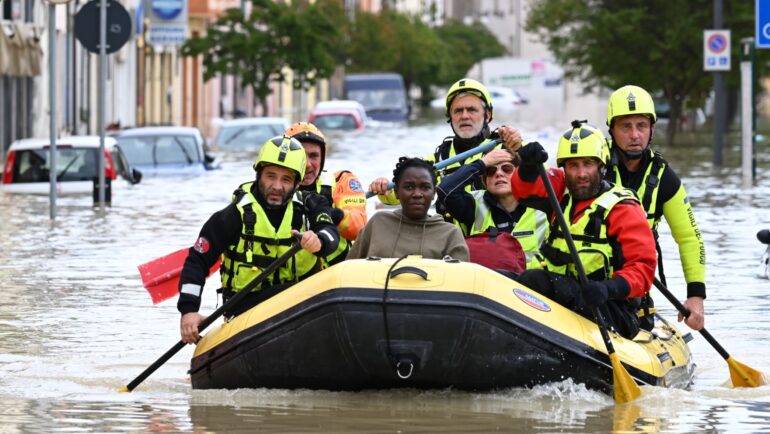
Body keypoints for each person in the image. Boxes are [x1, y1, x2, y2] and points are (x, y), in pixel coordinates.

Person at [177, 135, 340, 344]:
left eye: (286, 179)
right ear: (258, 175)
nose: (277, 186)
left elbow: (330, 232)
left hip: (298, 303)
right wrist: (189, 310)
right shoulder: (233, 215)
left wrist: (320, 241)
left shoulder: (311, 205)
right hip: (247, 310)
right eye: (270, 176)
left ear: (297, 183)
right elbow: (197, 262)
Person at [509, 122, 657, 339]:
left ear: (601, 166)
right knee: (513, 279)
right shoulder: (560, 191)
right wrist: (528, 167)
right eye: (573, 166)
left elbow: (642, 269)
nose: (581, 174)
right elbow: (524, 190)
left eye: (588, 164)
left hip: (611, 306)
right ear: (564, 168)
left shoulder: (623, 209)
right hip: (567, 295)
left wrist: (608, 288)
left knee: (536, 281)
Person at [604, 85, 706, 331]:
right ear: (612, 130)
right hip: (589, 278)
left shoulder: (665, 178)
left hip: (632, 287)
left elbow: (689, 238)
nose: (634, 135)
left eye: (641, 126)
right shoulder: (591, 165)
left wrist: (695, 297)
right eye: (626, 127)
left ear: (652, 129)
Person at [368, 78, 522, 216]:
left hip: (495, 234)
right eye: (458, 111)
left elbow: (531, 169)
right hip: (449, 236)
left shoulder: (507, 148)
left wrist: (518, 146)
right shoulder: (439, 159)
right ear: (450, 117)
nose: (464, 116)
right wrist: (384, 189)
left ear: (487, 115)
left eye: (472, 110)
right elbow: (401, 194)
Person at [436, 148, 548, 272]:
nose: (499, 174)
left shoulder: (543, 206)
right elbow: (445, 189)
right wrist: (482, 163)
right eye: (491, 171)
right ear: (485, 181)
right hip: (484, 281)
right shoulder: (473, 204)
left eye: (506, 169)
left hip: (528, 282)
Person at [347, 157, 469, 261]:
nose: (417, 194)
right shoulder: (377, 223)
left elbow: (462, 278)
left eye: (425, 187)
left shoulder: (450, 234)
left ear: (433, 193)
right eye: (409, 187)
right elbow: (349, 268)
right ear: (396, 192)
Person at [285, 122, 367, 265]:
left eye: (314, 156)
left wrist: (329, 214)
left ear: (322, 158)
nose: (307, 164)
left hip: (338, 271)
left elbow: (359, 228)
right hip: (295, 274)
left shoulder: (341, 181)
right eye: (300, 155)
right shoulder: (274, 190)